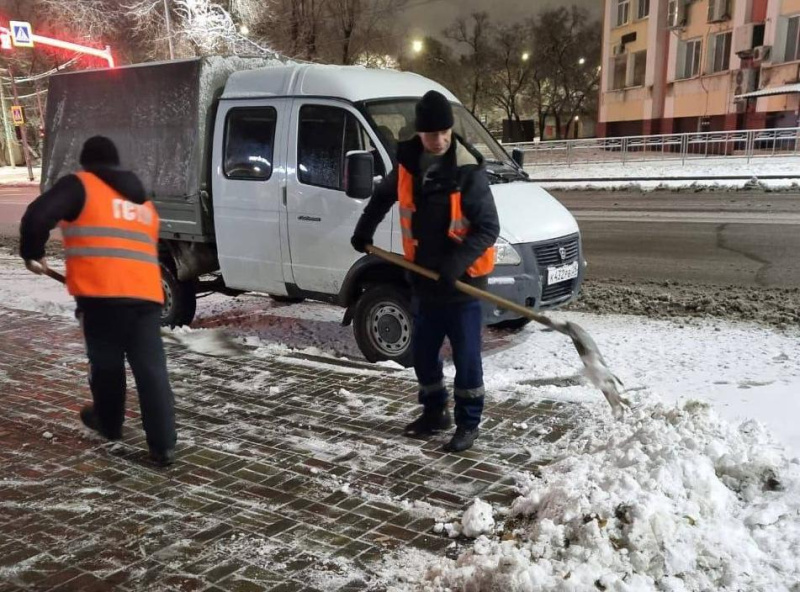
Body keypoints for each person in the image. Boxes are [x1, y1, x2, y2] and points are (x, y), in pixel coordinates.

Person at [351, 90, 500, 452]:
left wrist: (456, 263)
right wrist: (364, 229)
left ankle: (468, 423)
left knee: (466, 358)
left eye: (445, 132)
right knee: (422, 352)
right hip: (423, 277)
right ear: (419, 133)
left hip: (463, 283)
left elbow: (488, 227)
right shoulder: (408, 163)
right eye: (432, 134)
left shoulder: (468, 169)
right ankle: (435, 413)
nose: (440, 140)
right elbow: (384, 196)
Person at [20, 136, 177, 466]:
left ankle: (109, 423)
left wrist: (32, 252)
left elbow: (38, 216)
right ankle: (163, 444)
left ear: (87, 163)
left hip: (101, 297)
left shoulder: (82, 185)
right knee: (151, 371)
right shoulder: (142, 201)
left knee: (106, 365)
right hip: (148, 297)